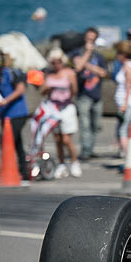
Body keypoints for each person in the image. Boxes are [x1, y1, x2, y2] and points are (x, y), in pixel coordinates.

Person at [41, 48, 80, 178]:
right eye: (54, 62)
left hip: (66, 106)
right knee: (57, 138)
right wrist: (46, 88)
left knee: (66, 138)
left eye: (58, 62)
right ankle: (61, 163)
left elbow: (74, 90)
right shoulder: (49, 75)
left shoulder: (69, 73)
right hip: (53, 107)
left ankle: (74, 161)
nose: (56, 65)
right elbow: (43, 92)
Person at [0, 50, 30, 184]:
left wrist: (5, 101)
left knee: (9, 143)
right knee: (18, 144)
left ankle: (19, 172)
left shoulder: (13, 73)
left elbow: (20, 90)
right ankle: (24, 172)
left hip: (17, 113)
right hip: (6, 114)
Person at [71, 27, 107, 160]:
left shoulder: (99, 56)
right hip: (83, 95)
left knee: (95, 124)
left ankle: (90, 148)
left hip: (97, 94)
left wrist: (88, 65)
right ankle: (85, 151)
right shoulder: (77, 52)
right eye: (88, 39)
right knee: (85, 124)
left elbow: (103, 73)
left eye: (93, 39)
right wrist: (87, 53)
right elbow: (78, 67)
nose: (90, 41)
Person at [113, 40, 131, 154]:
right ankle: (127, 153)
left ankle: (128, 156)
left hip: (129, 103)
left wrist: (125, 103)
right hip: (128, 103)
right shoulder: (128, 66)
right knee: (125, 129)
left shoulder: (128, 68)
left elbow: (128, 87)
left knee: (123, 130)